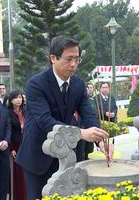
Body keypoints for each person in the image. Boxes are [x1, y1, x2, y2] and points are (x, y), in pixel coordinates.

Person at [15, 35, 112, 200]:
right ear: (53, 58)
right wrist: (80, 133)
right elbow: (44, 120)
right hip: (38, 155)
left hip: (66, 156)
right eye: (68, 59)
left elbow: (88, 113)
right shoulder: (36, 84)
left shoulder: (78, 84)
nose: (73, 64)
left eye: (77, 59)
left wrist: (100, 140)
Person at [6, 90, 27, 200]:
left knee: (26, 173)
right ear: (11, 100)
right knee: (16, 174)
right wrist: (11, 148)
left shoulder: (25, 111)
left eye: (20, 97)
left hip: (25, 146)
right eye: (16, 98)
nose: (19, 100)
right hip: (15, 146)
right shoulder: (7, 113)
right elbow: (7, 132)